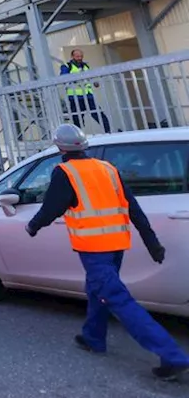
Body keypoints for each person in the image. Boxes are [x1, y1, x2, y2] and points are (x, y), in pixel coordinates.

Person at [26, 123, 187, 381]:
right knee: (96, 290)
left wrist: (33, 226)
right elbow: (133, 208)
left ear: (60, 147)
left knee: (118, 299)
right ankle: (93, 337)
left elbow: (51, 208)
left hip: (93, 249)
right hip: (116, 246)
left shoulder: (64, 172)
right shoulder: (108, 169)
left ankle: (172, 356)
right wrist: (152, 243)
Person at [60, 49, 112, 134]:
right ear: (72, 56)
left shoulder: (85, 66)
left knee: (97, 113)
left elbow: (89, 78)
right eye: (77, 56)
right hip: (75, 96)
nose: (80, 58)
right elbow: (63, 78)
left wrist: (94, 82)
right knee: (77, 117)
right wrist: (76, 77)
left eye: (81, 56)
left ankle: (108, 131)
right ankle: (79, 134)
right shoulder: (67, 66)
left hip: (88, 95)